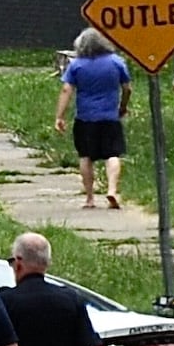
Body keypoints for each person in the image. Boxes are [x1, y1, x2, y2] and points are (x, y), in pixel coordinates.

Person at [55, 26, 133, 209]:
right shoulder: (116, 62)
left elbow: (67, 89)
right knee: (112, 154)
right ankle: (112, 190)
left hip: (85, 118)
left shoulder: (76, 65)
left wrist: (60, 116)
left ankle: (90, 198)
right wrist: (122, 106)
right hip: (110, 117)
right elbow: (127, 88)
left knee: (86, 156)